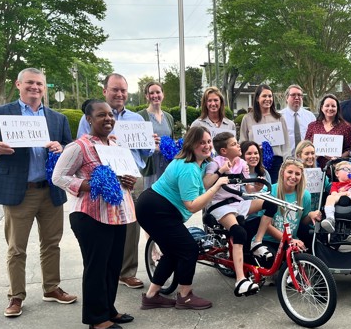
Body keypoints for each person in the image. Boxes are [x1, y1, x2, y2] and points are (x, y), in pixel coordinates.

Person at [0, 67, 77, 318]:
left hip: (49, 190)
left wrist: (60, 147)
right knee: (16, 248)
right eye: (30, 83)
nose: (35, 88)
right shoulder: (1, 113)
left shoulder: (56, 118)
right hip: (19, 191)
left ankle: (51, 288)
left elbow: (70, 146)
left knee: (52, 244)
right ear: (18, 85)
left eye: (40, 84)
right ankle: (16, 296)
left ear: (44, 87)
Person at [52, 100, 136, 329]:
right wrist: (87, 184)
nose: (108, 119)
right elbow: (58, 177)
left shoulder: (116, 144)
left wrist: (129, 180)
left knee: (112, 265)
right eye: (101, 115)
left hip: (117, 215)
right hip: (91, 216)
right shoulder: (79, 147)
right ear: (89, 119)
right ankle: (96, 317)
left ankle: (109, 309)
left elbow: (123, 174)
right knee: (97, 266)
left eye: (110, 115)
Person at [136, 126, 230, 310]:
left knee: (173, 251)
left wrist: (218, 174)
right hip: (157, 210)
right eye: (201, 142)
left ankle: (152, 296)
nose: (206, 145)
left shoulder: (195, 163)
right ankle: (185, 295)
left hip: (154, 206)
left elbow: (200, 184)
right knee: (188, 249)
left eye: (209, 141)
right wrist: (217, 186)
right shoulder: (188, 168)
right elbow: (192, 205)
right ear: (191, 144)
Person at [77, 73, 152, 290]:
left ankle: (127, 272)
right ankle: (107, 268)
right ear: (105, 91)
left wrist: (150, 143)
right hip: (107, 179)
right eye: (115, 90)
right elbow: (85, 147)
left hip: (133, 177)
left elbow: (145, 152)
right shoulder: (88, 118)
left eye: (123, 90)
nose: (119, 94)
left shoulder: (137, 119)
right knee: (105, 226)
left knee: (131, 227)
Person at [202, 132, 279, 295]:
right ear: (224, 151)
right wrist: (221, 172)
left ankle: (257, 242)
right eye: (234, 144)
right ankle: (240, 280)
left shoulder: (241, 163)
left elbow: (248, 189)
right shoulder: (215, 164)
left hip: (238, 203)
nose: (238, 146)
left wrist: (256, 187)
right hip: (220, 205)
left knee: (271, 204)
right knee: (238, 232)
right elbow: (205, 184)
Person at [262, 158, 323, 251]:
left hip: (291, 241)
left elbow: (302, 221)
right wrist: (289, 240)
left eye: (297, 174)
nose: (293, 176)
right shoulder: (270, 191)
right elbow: (265, 225)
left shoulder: (305, 195)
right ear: (282, 172)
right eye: (290, 172)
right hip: (268, 240)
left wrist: (311, 215)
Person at [239, 84, 291, 183]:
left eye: (270, 96)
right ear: (257, 99)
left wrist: (286, 163)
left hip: (277, 161)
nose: (267, 99)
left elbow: (286, 144)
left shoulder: (279, 118)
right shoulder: (248, 118)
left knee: (275, 189)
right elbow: (242, 141)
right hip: (256, 162)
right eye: (264, 96)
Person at [138, 81, 174, 189]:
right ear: (146, 96)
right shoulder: (140, 116)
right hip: (151, 165)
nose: (155, 96)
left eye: (158, 92)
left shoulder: (169, 117)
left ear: (163, 94)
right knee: (151, 195)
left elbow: (171, 140)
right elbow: (137, 144)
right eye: (151, 93)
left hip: (168, 165)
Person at [304, 94, 351, 169]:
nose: (330, 108)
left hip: (336, 168)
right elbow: (305, 145)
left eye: (333, 106)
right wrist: (312, 154)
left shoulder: (346, 127)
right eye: (327, 105)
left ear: (337, 108)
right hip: (314, 166)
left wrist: (339, 157)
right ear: (321, 108)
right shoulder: (312, 125)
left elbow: (349, 149)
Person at [320, 161, 351, 234]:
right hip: (339, 197)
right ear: (337, 173)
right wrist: (344, 193)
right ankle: (330, 219)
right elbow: (334, 194)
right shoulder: (335, 184)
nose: (349, 172)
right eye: (346, 169)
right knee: (330, 197)